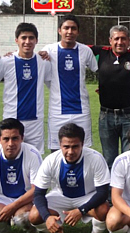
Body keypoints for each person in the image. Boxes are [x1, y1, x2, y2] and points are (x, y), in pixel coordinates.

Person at [29, 123, 110, 233]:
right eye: (66, 146)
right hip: (61, 196)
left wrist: (81, 210)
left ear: (82, 144)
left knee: (103, 209)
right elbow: (38, 194)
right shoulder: (51, 160)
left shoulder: (95, 158)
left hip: (87, 196)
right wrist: (47, 217)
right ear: (60, 145)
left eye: (75, 146)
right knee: (34, 215)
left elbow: (103, 193)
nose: (70, 152)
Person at [42, 15, 98, 151]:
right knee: (57, 150)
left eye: (73, 28)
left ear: (78, 31)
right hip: (57, 111)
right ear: (59, 30)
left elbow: (97, 70)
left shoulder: (85, 51)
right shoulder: (49, 50)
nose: (69, 32)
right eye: (66, 28)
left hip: (81, 110)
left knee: (83, 150)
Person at [0, 22, 51, 154]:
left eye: (31, 38)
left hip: (35, 121)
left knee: (35, 156)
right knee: (11, 155)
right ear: (16, 40)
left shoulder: (43, 61)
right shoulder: (6, 61)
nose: (27, 41)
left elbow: (50, 83)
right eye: (23, 38)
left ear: (36, 40)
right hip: (11, 119)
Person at [91, 25, 130, 168]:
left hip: (129, 115)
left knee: (129, 159)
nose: (120, 42)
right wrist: (48, 51)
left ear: (129, 41)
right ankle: (110, 183)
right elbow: (76, 47)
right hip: (106, 116)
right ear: (110, 40)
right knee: (109, 159)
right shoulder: (100, 53)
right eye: (116, 39)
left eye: (123, 39)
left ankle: (128, 184)